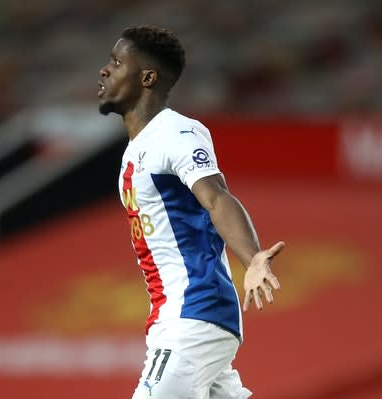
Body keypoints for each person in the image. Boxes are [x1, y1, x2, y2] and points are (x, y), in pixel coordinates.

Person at [98, 25, 285, 399]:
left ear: (147, 77)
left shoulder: (175, 133)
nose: (104, 70)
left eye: (117, 63)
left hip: (194, 314)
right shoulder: (137, 149)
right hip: (175, 318)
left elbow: (216, 197)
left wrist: (252, 260)